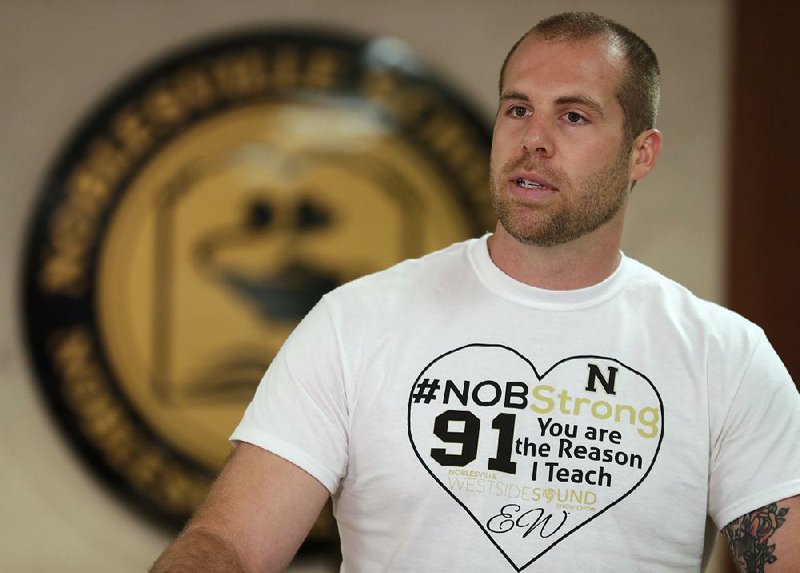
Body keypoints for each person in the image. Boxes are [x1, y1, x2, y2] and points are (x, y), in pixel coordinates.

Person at [152, 12, 800, 572]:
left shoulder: (725, 356)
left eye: (573, 116)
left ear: (642, 153)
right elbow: (230, 542)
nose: (533, 140)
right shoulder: (357, 321)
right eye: (518, 109)